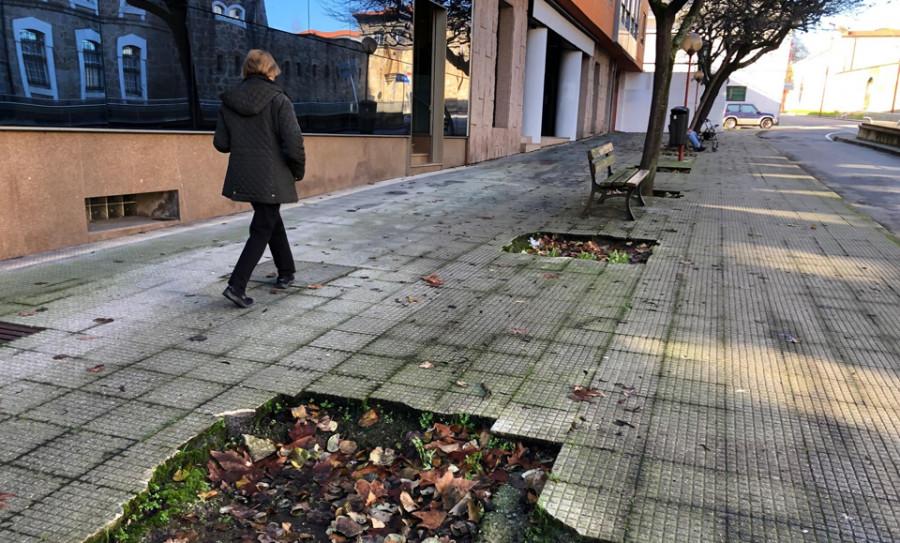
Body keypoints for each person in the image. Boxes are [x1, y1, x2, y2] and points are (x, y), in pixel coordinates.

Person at [214, 49, 306, 308]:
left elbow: (221, 143)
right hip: (272, 175)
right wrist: (298, 170)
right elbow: (293, 143)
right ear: (270, 71)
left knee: (270, 220)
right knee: (262, 227)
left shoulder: (229, 100)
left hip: (245, 175)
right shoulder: (279, 99)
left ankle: (286, 271)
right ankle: (236, 285)